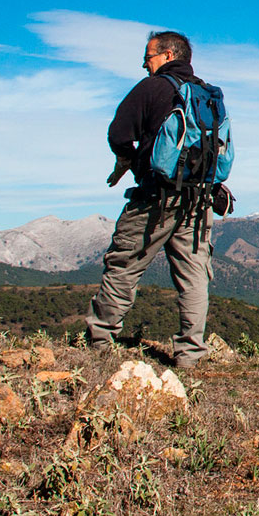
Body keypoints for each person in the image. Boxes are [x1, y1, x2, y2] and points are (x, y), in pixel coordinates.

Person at [85, 30, 215, 368]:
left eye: (149, 56)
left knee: (124, 266)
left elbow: (118, 133)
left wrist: (129, 161)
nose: (145, 64)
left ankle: (100, 341)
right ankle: (190, 355)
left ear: (169, 56)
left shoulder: (152, 88)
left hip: (156, 198)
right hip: (199, 201)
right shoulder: (206, 94)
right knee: (194, 277)